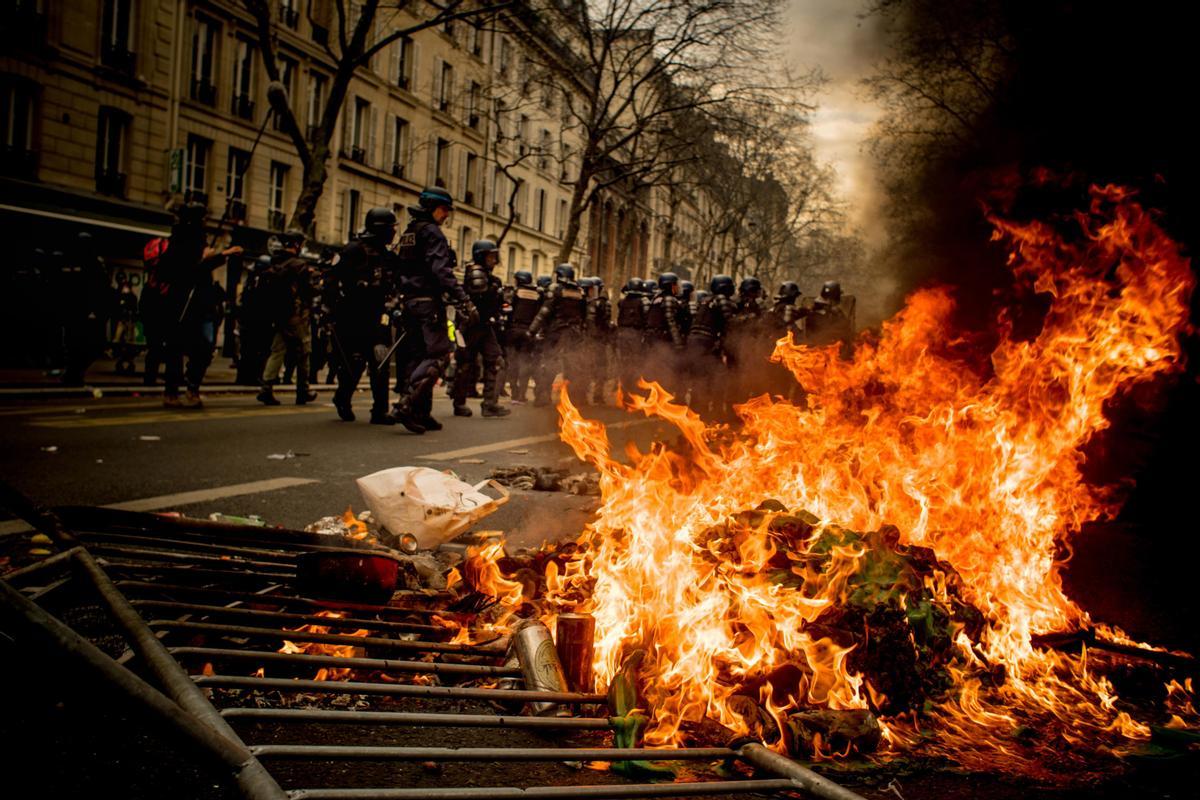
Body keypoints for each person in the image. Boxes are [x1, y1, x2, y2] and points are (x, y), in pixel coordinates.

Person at [389, 187, 475, 433]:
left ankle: (421, 412)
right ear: (433, 208)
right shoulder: (432, 233)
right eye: (444, 209)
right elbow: (441, 271)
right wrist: (463, 299)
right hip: (428, 303)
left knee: (418, 357)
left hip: (409, 302)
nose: (446, 215)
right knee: (438, 354)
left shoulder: (409, 233)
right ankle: (406, 405)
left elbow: (397, 267)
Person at [154, 203, 242, 408]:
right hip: (183, 304)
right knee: (179, 348)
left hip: (201, 304)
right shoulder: (180, 242)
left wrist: (214, 257)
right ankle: (175, 391)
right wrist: (217, 256)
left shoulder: (193, 239)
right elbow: (186, 270)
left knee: (202, 348)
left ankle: (190, 387)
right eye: (202, 217)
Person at [329, 208, 397, 424]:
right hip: (352, 317)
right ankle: (342, 398)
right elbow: (331, 279)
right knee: (354, 364)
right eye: (391, 228)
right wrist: (329, 310)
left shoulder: (388, 256)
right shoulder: (353, 250)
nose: (394, 232)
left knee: (381, 360)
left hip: (378, 317)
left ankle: (379, 411)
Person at [257, 230, 318, 405]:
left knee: (277, 351)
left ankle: (266, 388)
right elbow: (308, 291)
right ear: (297, 245)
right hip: (296, 315)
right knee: (304, 352)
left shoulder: (275, 262)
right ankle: (303, 390)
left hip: (278, 315)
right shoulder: (299, 265)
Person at [450, 240, 511, 418]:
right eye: (490, 256)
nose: (494, 260)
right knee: (466, 365)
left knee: (497, 361)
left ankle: (490, 404)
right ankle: (459, 403)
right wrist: (496, 289)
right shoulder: (476, 273)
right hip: (471, 326)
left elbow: (496, 303)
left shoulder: (491, 277)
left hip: (485, 325)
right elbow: (481, 295)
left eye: (494, 256)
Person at [526, 263, 586, 407]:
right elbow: (583, 315)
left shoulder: (555, 289)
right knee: (573, 367)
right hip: (573, 334)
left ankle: (543, 397)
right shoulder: (579, 292)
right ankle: (574, 399)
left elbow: (544, 312)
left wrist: (532, 331)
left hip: (556, 333)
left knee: (548, 364)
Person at [56, 232, 112, 385]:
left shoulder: (83, 263)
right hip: (81, 312)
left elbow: (100, 289)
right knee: (84, 345)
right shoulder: (92, 264)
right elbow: (100, 288)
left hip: (80, 311)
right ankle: (74, 374)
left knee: (82, 345)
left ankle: (73, 373)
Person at [685, 275, 739, 414]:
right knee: (718, 376)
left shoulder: (705, 300)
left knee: (699, 377)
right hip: (706, 342)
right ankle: (715, 412)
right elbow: (731, 323)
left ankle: (696, 412)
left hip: (693, 341)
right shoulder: (721, 300)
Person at [643, 272, 686, 392]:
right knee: (666, 371)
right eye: (675, 285)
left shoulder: (656, 298)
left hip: (652, 339)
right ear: (670, 286)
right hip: (663, 340)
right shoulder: (669, 299)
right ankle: (663, 401)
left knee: (654, 370)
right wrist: (678, 343)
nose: (678, 287)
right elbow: (671, 321)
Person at [503, 270, 542, 403]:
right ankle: (522, 395)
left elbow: (506, 309)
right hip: (528, 331)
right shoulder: (537, 294)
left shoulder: (515, 293)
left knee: (512, 362)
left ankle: (514, 393)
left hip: (513, 330)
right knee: (525, 362)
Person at [581, 276, 613, 404]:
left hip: (588, 339)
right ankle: (597, 395)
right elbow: (606, 322)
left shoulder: (585, 302)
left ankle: (584, 395)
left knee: (589, 367)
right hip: (597, 340)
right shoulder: (603, 303)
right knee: (599, 367)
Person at [614, 277, 649, 394]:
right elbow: (647, 319)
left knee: (624, 362)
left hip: (622, 333)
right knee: (636, 362)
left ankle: (625, 390)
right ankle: (634, 390)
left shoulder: (623, 302)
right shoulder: (643, 301)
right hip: (635, 334)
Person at [112, 279, 139, 375]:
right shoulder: (120, 296)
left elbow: (134, 309)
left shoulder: (132, 297)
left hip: (129, 321)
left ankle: (128, 358)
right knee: (118, 339)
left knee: (129, 340)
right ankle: (118, 354)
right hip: (122, 320)